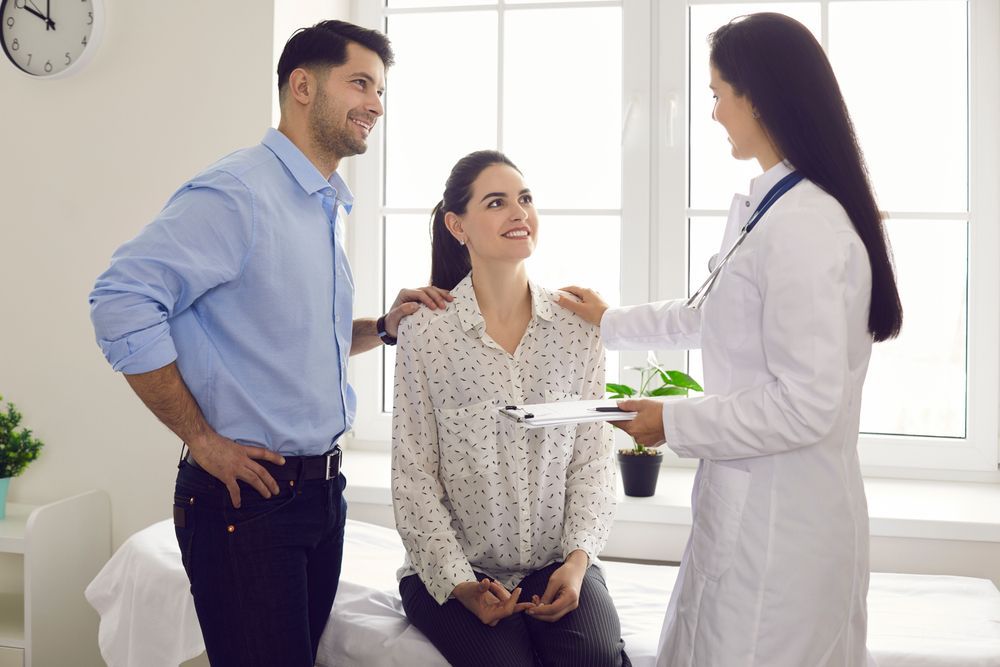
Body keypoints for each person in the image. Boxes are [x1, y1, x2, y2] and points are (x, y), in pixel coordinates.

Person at [89, 20, 451, 667]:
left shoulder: (319, 203)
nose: (376, 103)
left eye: (381, 88)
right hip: (249, 502)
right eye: (361, 83)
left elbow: (301, 341)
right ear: (303, 86)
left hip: (320, 497)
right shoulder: (239, 191)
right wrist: (203, 440)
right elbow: (119, 299)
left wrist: (385, 326)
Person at [558, 13, 903, 667]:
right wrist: (609, 319)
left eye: (717, 93)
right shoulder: (773, 206)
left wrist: (671, 419)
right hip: (747, 513)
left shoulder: (805, 226)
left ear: (759, 96)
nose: (713, 112)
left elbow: (807, 404)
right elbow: (715, 316)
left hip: (782, 531)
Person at [391, 150, 631, 667]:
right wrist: (461, 585)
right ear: (458, 226)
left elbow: (592, 462)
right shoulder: (425, 334)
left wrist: (577, 564)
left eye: (524, 199)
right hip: (457, 571)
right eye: (496, 202)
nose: (518, 212)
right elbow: (413, 477)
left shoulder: (578, 329)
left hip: (555, 564)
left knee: (593, 660)